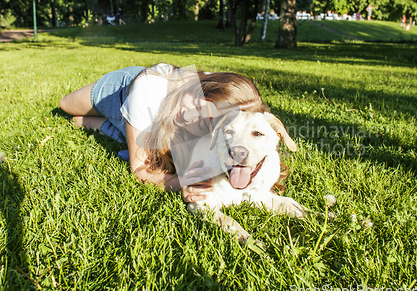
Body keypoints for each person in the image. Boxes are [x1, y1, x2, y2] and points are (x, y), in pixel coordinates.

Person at [59, 64, 270, 203]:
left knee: (142, 137)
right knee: (66, 106)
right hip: (122, 90)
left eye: (207, 120)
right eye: (198, 104)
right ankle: (116, 121)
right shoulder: (149, 88)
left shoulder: (222, 119)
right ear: (202, 87)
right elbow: (140, 169)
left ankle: (117, 126)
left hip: (147, 115)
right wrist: (182, 184)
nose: (191, 117)